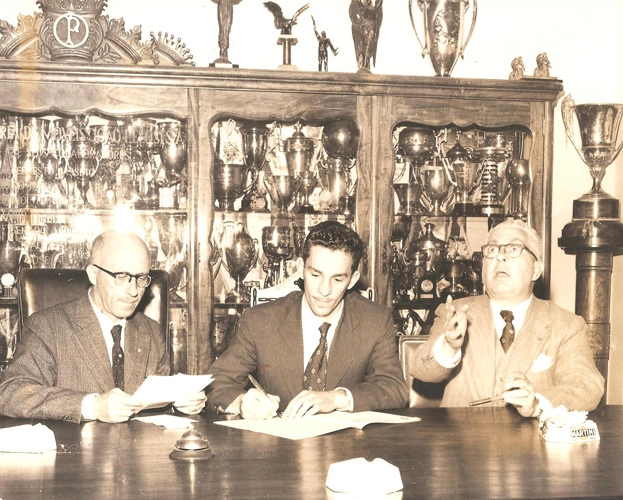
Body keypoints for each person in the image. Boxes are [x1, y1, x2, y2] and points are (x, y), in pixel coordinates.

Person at [207, 220, 408, 419]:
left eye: (337, 279)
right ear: (301, 267)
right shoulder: (260, 320)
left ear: (353, 279)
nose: (324, 290)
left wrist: (337, 398)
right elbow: (216, 383)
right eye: (315, 275)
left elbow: (394, 388)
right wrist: (241, 402)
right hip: (278, 447)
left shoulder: (375, 320)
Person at [0, 230, 206, 423]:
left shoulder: (150, 331)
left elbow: (156, 405)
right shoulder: (49, 326)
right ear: (93, 274)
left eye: (141, 278)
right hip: (75, 457)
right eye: (121, 277)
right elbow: (10, 393)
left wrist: (181, 403)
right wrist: (91, 405)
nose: (133, 291)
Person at [409, 219, 604, 418]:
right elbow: (421, 369)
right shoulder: (455, 312)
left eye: (513, 248)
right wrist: (449, 347)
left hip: (531, 444)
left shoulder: (567, 325)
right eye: (492, 250)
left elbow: (587, 385)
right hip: (460, 442)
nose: (500, 256)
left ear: (536, 269)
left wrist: (537, 403)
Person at [211, 0, 243, 64]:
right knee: (222, 29)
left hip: (228, 6)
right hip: (222, 5)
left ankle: (224, 52)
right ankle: (222, 51)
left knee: (227, 29)